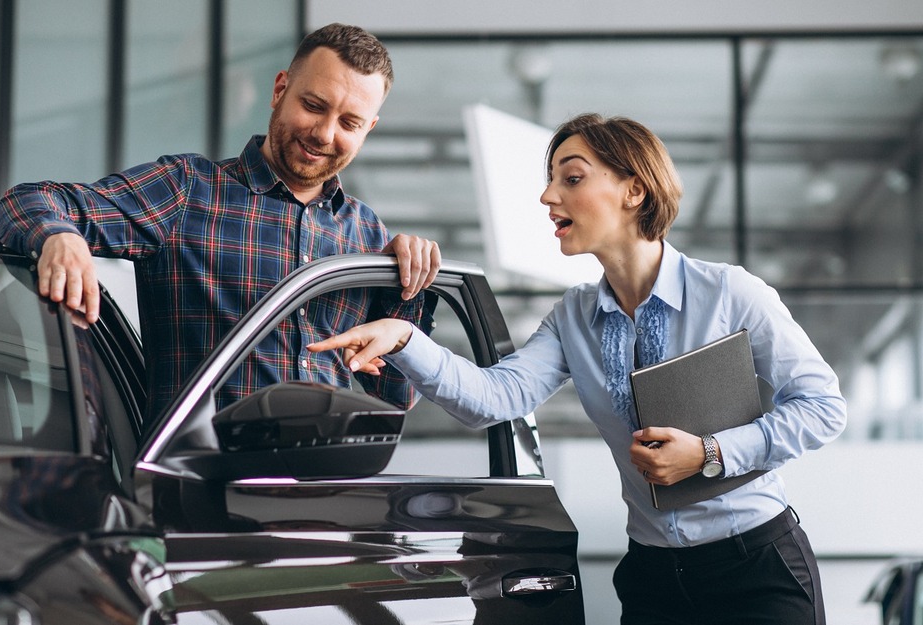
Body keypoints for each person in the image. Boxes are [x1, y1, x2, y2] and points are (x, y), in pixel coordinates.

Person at [308, 113, 847, 624]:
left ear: (633, 191)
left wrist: (709, 454)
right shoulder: (574, 318)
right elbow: (495, 398)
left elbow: (824, 408)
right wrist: (405, 338)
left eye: (571, 178)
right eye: (550, 180)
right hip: (653, 578)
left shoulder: (732, 294)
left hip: (756, 568)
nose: (547, 196)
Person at [0, 23, 440, 425]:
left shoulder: (366, 234)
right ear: (280, 89)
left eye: (349, 122)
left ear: (369, 129)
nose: (325, 133)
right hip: (203, 496)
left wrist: (407, 289)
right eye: (313, 105)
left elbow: (397, 397)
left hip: (325, 498)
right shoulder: (187, 191)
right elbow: (29, 200)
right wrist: (60, 236)